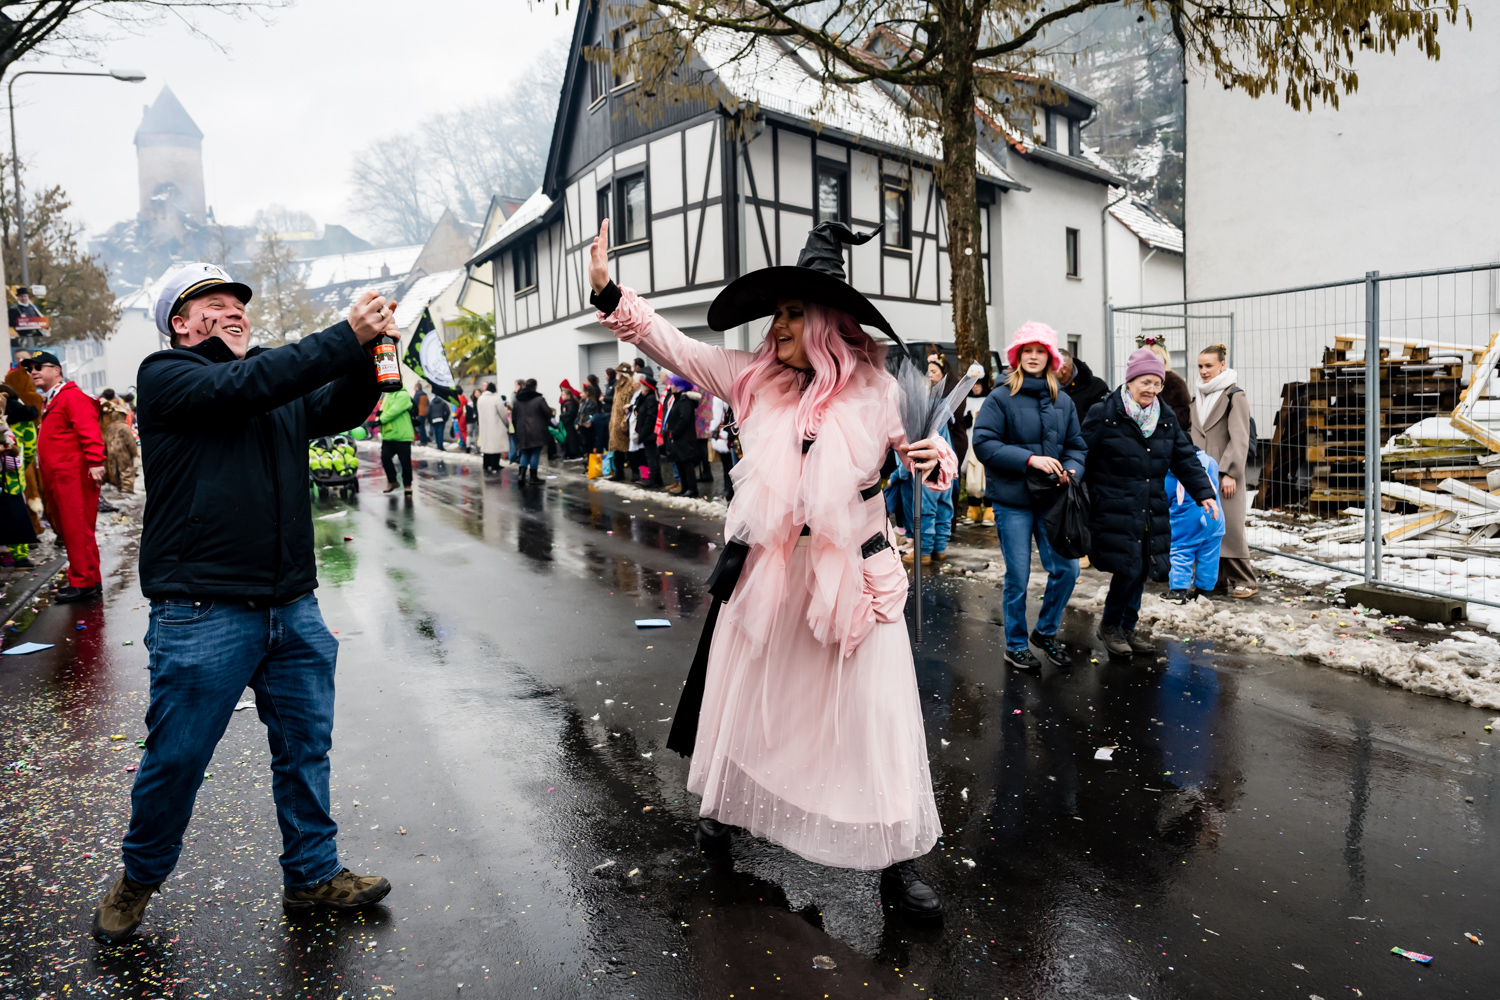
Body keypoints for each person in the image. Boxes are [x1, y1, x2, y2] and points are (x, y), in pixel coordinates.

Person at [588, 217, 955, 919]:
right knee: (752, 699)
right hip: (771, 578)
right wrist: (610, 294)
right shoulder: (751, 380)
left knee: (873, 716)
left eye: (792, 313)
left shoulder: (881, 390)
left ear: (825, 322)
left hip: (854, 582)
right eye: (777, 313)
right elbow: (673, 345)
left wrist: (937, 462)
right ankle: (724, 812)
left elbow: (931, 456)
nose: (777, 326)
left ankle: (897, 870)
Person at [92, 263, 393, 946]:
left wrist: (373, 354)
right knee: (178, 758)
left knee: (304, 749)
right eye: (213, 303)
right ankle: (137, 879)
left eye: (238, 303)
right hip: (203, 611)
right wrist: (344, 331)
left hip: (292, 606)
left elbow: (336, 405)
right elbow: (249, 384)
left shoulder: (267, 386)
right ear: (180, 322)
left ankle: (313, 876)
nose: (233, 311)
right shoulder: (168, 377)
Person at [1081, 348, 1219, 657]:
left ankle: (1128, 627)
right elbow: (1082, 453)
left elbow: (1184, 456)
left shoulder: (1164, 415)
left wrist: (1204, 492)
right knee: (1128, 567)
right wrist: (1073, 485)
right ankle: (1110, 625)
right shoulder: (1104, 413)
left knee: (1144, 566)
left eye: (1156, 383)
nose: (1152, 390)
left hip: (1152, 504)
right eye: (1145, 382)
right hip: (1115, 505)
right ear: (1130, 381)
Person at [971, 322, 1087, 670]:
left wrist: (1071, 469)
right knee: (1018, 578)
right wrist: (1029, 459)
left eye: (1040, 351)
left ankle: (1046, 633)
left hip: (1053, 499)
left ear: (1050, 358)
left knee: (1067, 570)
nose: (1034, 356)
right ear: (1017, 356)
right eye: (1027, 350)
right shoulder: (1000, 396)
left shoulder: (1062, 401)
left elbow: (1077, 446)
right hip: (1013, 502)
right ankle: (1016, 644)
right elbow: (984, 443)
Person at [29, 351, 106, 602]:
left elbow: (89, 430)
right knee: (72, 528)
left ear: (57, 371)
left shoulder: (71, 396)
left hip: (72, 474)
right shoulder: (52, 399)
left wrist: (96, 462)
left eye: (40, 366)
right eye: (31, 369)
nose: (34, 372)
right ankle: (90, 579)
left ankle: (82, 582)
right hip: (60, 475)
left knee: (75, 528)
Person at [1191, 344, 1258, 599]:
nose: (1204, 371)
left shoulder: (1234, 395)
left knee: (1230, 525)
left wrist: (1230, 472)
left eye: (1209, 366)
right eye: (1200, 366)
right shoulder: (1198, 396)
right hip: (1201, 471)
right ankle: (1215, 580)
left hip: (1224, 471)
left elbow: (1240, 437)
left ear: (1222, 365)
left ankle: (1245, 579)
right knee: (1208, 523)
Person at [1162, 388, 1225, 603]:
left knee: (1181, 552)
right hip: (1214, 518)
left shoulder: (1171, 472)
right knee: (1209, 555)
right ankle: (1204, 591)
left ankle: (1178, 590)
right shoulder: (1210, 462)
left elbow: (1166, 496)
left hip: (1186, 521)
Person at [2, 362, 41, 561]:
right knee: (18, 511)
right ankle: (21, 556)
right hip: (15, 473)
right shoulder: (28, 411)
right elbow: (31, 447)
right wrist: (24, 465)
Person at [957, 370, 993, 524]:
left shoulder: (990, 398)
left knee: (986, 475)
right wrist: (968, 420)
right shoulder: (965, 400)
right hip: (969, 441)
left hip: (985, 441)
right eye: (973, 384)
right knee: (970, 475)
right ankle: (974, 508)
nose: (975, 387)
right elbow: (959, 423)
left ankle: (990, 509)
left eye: (978, 384)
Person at [661, 375, 702, 498]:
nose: (671, 387)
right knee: (680, 463)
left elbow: (684, 419)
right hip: (678, 439)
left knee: (686, 465)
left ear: (680, 387)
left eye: (674, 385)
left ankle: (692, 489)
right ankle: (685, 488)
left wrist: (674, 432)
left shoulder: (685, 401)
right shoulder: (678, 399)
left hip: (684, 439)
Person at [510, 378, 554, 484]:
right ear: (535, 387)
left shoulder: (517, 400)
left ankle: (521, 475)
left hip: (522, 430)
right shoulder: (539, 399)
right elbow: (548, 413)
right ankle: (533, 477)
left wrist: (517, 429)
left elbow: (514, 417)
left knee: (525, 452)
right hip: (536, 430)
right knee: (535, 452)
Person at [99, 389, 138, 494]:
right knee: (127, 470)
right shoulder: (124, 427)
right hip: (123, 450)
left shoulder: (110, 426)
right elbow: (130, 441)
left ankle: (119, 487)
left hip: (111, 449)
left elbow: (106, 437)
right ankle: (127, 489)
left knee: (115, 469)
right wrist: (135, 452)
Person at [378, 384, 415, 494]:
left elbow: (394, 411)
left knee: (405, 462)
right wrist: (379, 414)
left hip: (402, 435)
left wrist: (381, 420)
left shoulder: (403, 394)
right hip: (389, 435)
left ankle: (407, 485)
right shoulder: (387, 395)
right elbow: (385, 410)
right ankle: (392, 481)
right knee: (385, 458)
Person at [628, 373, 662, 486]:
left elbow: (650, 418)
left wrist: (643, 433)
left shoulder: (651, 399)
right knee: (650, 456)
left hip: (649, 433)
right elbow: (638, 404)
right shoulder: (645, 397)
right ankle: (655, 480)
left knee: (651, 457)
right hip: (645, 432)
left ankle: (654, 480)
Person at [1058, 347, 1110, 421]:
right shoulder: (1044, 386)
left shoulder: (1097, 387)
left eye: (1052, 367)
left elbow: (1099, 421)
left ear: (1064, 369)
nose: (1047, 370)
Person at [607, 366, 634, 481]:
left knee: (630, 451)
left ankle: (636, 473)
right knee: (617, 450)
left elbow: (627, 406)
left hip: (622, 424)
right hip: (615, 423)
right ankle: (619, 473)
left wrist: (624, 422)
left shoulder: (629, 387)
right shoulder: (617, 387)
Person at [476, 382, 508, 474]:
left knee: (486, 446)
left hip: (484, 426)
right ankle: (495, 465)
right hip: (495, 425)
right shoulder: (496, 398)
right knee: (496, 447)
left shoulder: (481, 399)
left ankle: (486, 465)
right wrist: (506, 422)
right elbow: (503, 413)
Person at [426, 388, 450, 452]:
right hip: (441, 419)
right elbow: (448, 411)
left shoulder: (431, 404)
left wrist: (430, 420)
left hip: (434, 420)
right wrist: (445, 418)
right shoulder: (443, 403)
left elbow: (428, 413)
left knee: (436, 433)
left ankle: (438, 445)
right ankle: (440, 446)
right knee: (440, 433)